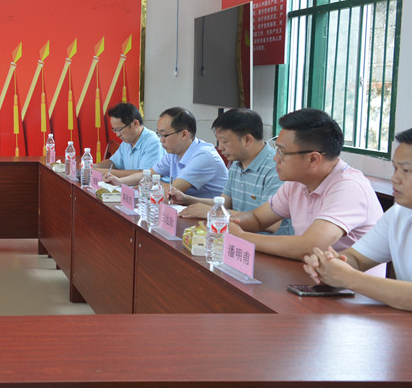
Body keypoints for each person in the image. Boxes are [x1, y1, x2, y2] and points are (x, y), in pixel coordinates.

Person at [229, 108, 382, 260]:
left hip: (342, 276)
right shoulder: (297, 182)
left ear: (313, 159)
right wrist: (224, 223)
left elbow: (309, 247)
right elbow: (257, 219)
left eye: (282, 152)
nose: (276, 158)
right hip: (305, 271)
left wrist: (242, 237)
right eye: (277, 149)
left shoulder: (349, 187)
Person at [302, 127, 412, 309]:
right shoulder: (398, 213)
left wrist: (350, 278)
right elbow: (357, 258)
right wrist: (329, 263)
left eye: (407, 171)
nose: (395, 178)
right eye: (395, 168)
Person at [170, 108, 292, 235]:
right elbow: (225, 203)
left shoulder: (275, 168)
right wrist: (186, 199)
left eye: (224, 142)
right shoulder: (237, 163)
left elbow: (271, 225)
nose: (220, 147)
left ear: (247, 140)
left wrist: (213, 212)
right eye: (219, 141)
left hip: (265, 243)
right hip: (238, 237)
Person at [106, 107, 227, 199]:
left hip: (212, 216)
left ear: (184, 134)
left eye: (164, 135)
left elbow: (172, 191)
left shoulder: (203, 156)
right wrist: (120, 181)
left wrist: (153, 183)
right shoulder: (173, 153)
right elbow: (148, 175)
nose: (161, 140)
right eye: (159, 134)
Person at [93, 102, 165, 174]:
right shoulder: (127, 142)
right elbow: (113, 163)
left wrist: (100, 171)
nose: (117, 135)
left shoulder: (153, 142)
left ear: (135, 124)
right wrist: (93, 166)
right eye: (115, 130)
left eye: (119, 129)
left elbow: (143, 174)